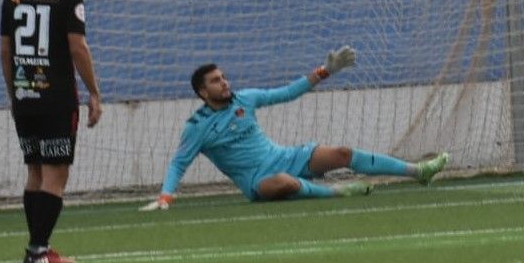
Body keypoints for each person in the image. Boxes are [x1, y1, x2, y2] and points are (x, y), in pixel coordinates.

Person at [140, 49, 449, 209]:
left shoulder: (245, 99)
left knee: (342, 153)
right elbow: (179, 162)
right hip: (259, 181)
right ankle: (336, 192)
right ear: (203, 93)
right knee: (285, 183)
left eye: (224, 77)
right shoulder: (197, 127)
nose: (225, 83)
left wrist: (325, 70)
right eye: (216, 81)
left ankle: (418, 171)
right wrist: (166, 196)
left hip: (287, 157)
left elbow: (288, 92)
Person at [0, 0, 103, 263]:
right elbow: (78, 47)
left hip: (25, 96)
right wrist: (94, 92)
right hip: (57, 98)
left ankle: (38, 247)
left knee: (35, 172)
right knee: (55, 175)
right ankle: (38, 250)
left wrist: (13, 91)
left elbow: (5, 50)